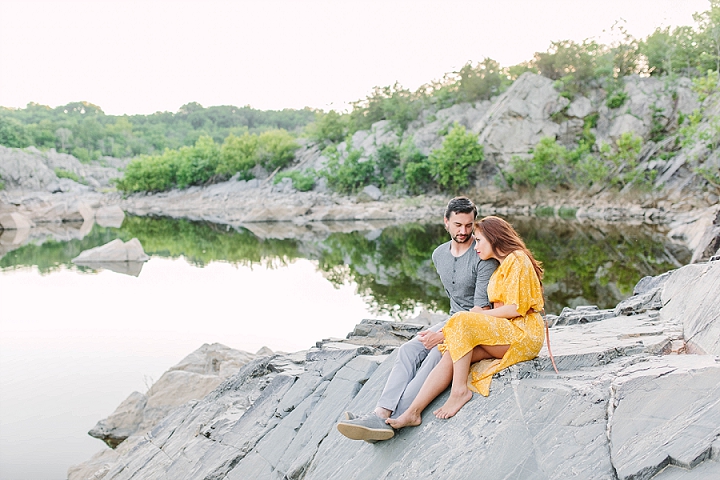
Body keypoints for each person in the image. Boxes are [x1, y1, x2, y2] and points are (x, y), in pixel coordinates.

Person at [337, 197, 499, 442]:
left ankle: (395, 418)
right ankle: (381, 412)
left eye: (468, 225)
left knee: (435, 355)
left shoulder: (481, 257)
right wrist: (441, 329)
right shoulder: (438, 255)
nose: (463, 231)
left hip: (472, 324)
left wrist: (443, 335)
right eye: (457, 225)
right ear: (446, 222)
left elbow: (480, 309)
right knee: (409, 349)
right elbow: (454, 302)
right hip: (454, 318)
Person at [387, 215, 545, 430]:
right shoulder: (500, 267)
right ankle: (413, 413)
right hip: (506, 332)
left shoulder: (517, 259)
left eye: (479, 240)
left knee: (462, 319)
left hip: (523, 333)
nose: (475, 245)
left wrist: (476, 317)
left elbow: (517, 308)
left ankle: (459, 391)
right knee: (454, 351)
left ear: (494, 239)